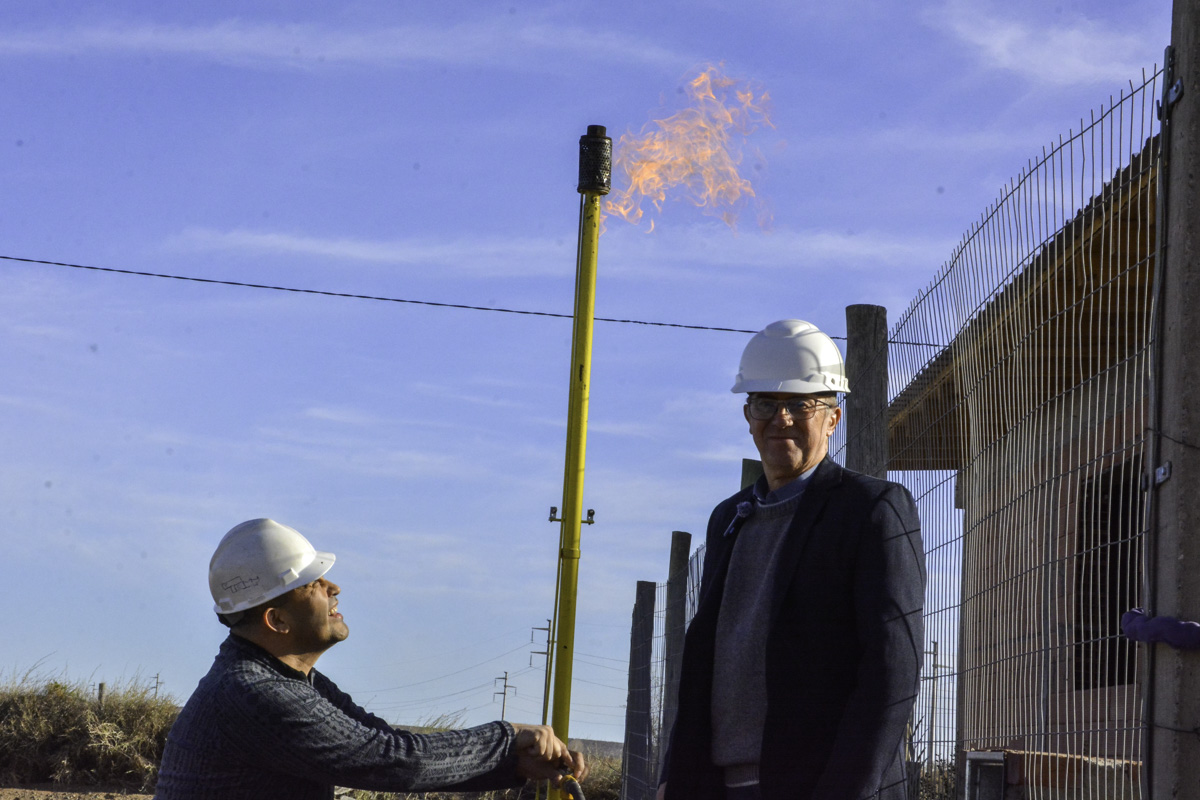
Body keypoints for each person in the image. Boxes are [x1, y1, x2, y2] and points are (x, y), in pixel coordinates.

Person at [659, 319, 925, 800]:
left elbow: (891, 673)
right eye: (766, 403)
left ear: (833, 418)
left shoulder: (871, 510)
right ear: (747, 415)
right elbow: (703, 668)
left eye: (800, 404)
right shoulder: (728, 519)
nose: (780, 419)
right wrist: (673, 780)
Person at [155, 518, 586, 800]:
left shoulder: (284, 679)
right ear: (277, 620)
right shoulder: (254, 694)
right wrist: (508, 737)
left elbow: (383, 743)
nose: (333, 588)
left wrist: (514, 762)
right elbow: (391, 760)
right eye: (312, 584)